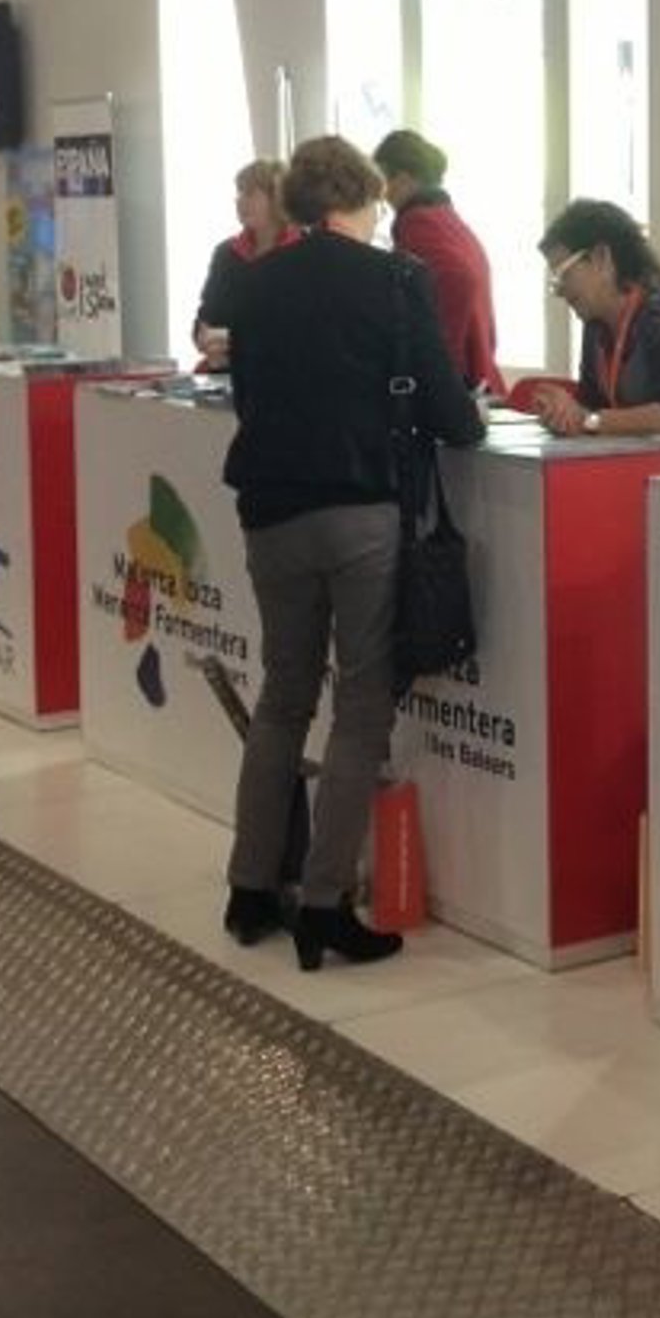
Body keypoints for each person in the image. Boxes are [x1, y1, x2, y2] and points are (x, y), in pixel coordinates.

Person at [221, 136, 484, 970]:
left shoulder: (254, 282)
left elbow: (245, 394)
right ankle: (326, 903)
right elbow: (451, 412)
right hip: (359, 512)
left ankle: (250, 887)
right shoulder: (397, 279)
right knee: (363, 704)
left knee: (283, 695)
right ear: (366, 197)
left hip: (269, 511)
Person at [532, 200, 660, 439]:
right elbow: (591, 409)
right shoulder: (596, 325)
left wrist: (586, 419)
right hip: (640, 455)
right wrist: (563, 416)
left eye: (562, 273)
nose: (559, 291)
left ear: (601, 258)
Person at [373, 129, 503, 397]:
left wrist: (439, 364)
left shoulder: (417, 222)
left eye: (383, 183)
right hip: (480, 372)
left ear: (403, 179)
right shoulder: (447, 219)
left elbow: (459, 279)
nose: (382, 196)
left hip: (458, 379)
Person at [190, 158, 297, 369]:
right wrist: (203, 336)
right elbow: (207, 315)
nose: (240, 201)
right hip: (225, 370)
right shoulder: (226, 253)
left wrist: (239, 344)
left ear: (277, 198)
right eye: (239, 193)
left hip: (283, 372)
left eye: (250, 193)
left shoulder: (303, 252)